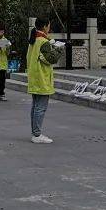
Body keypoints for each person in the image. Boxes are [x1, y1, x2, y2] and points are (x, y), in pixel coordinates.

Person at [26, 16, 64, 144]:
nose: (49, 27)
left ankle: (34, 132)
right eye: (48, 25)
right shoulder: (43, 41)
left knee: (35, 106)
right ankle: (37, 134)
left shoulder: (34, 39)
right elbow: (51, 59)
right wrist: (59, 49)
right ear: (44, 26)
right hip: (41, 77)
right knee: (40, 107)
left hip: (34, 76)